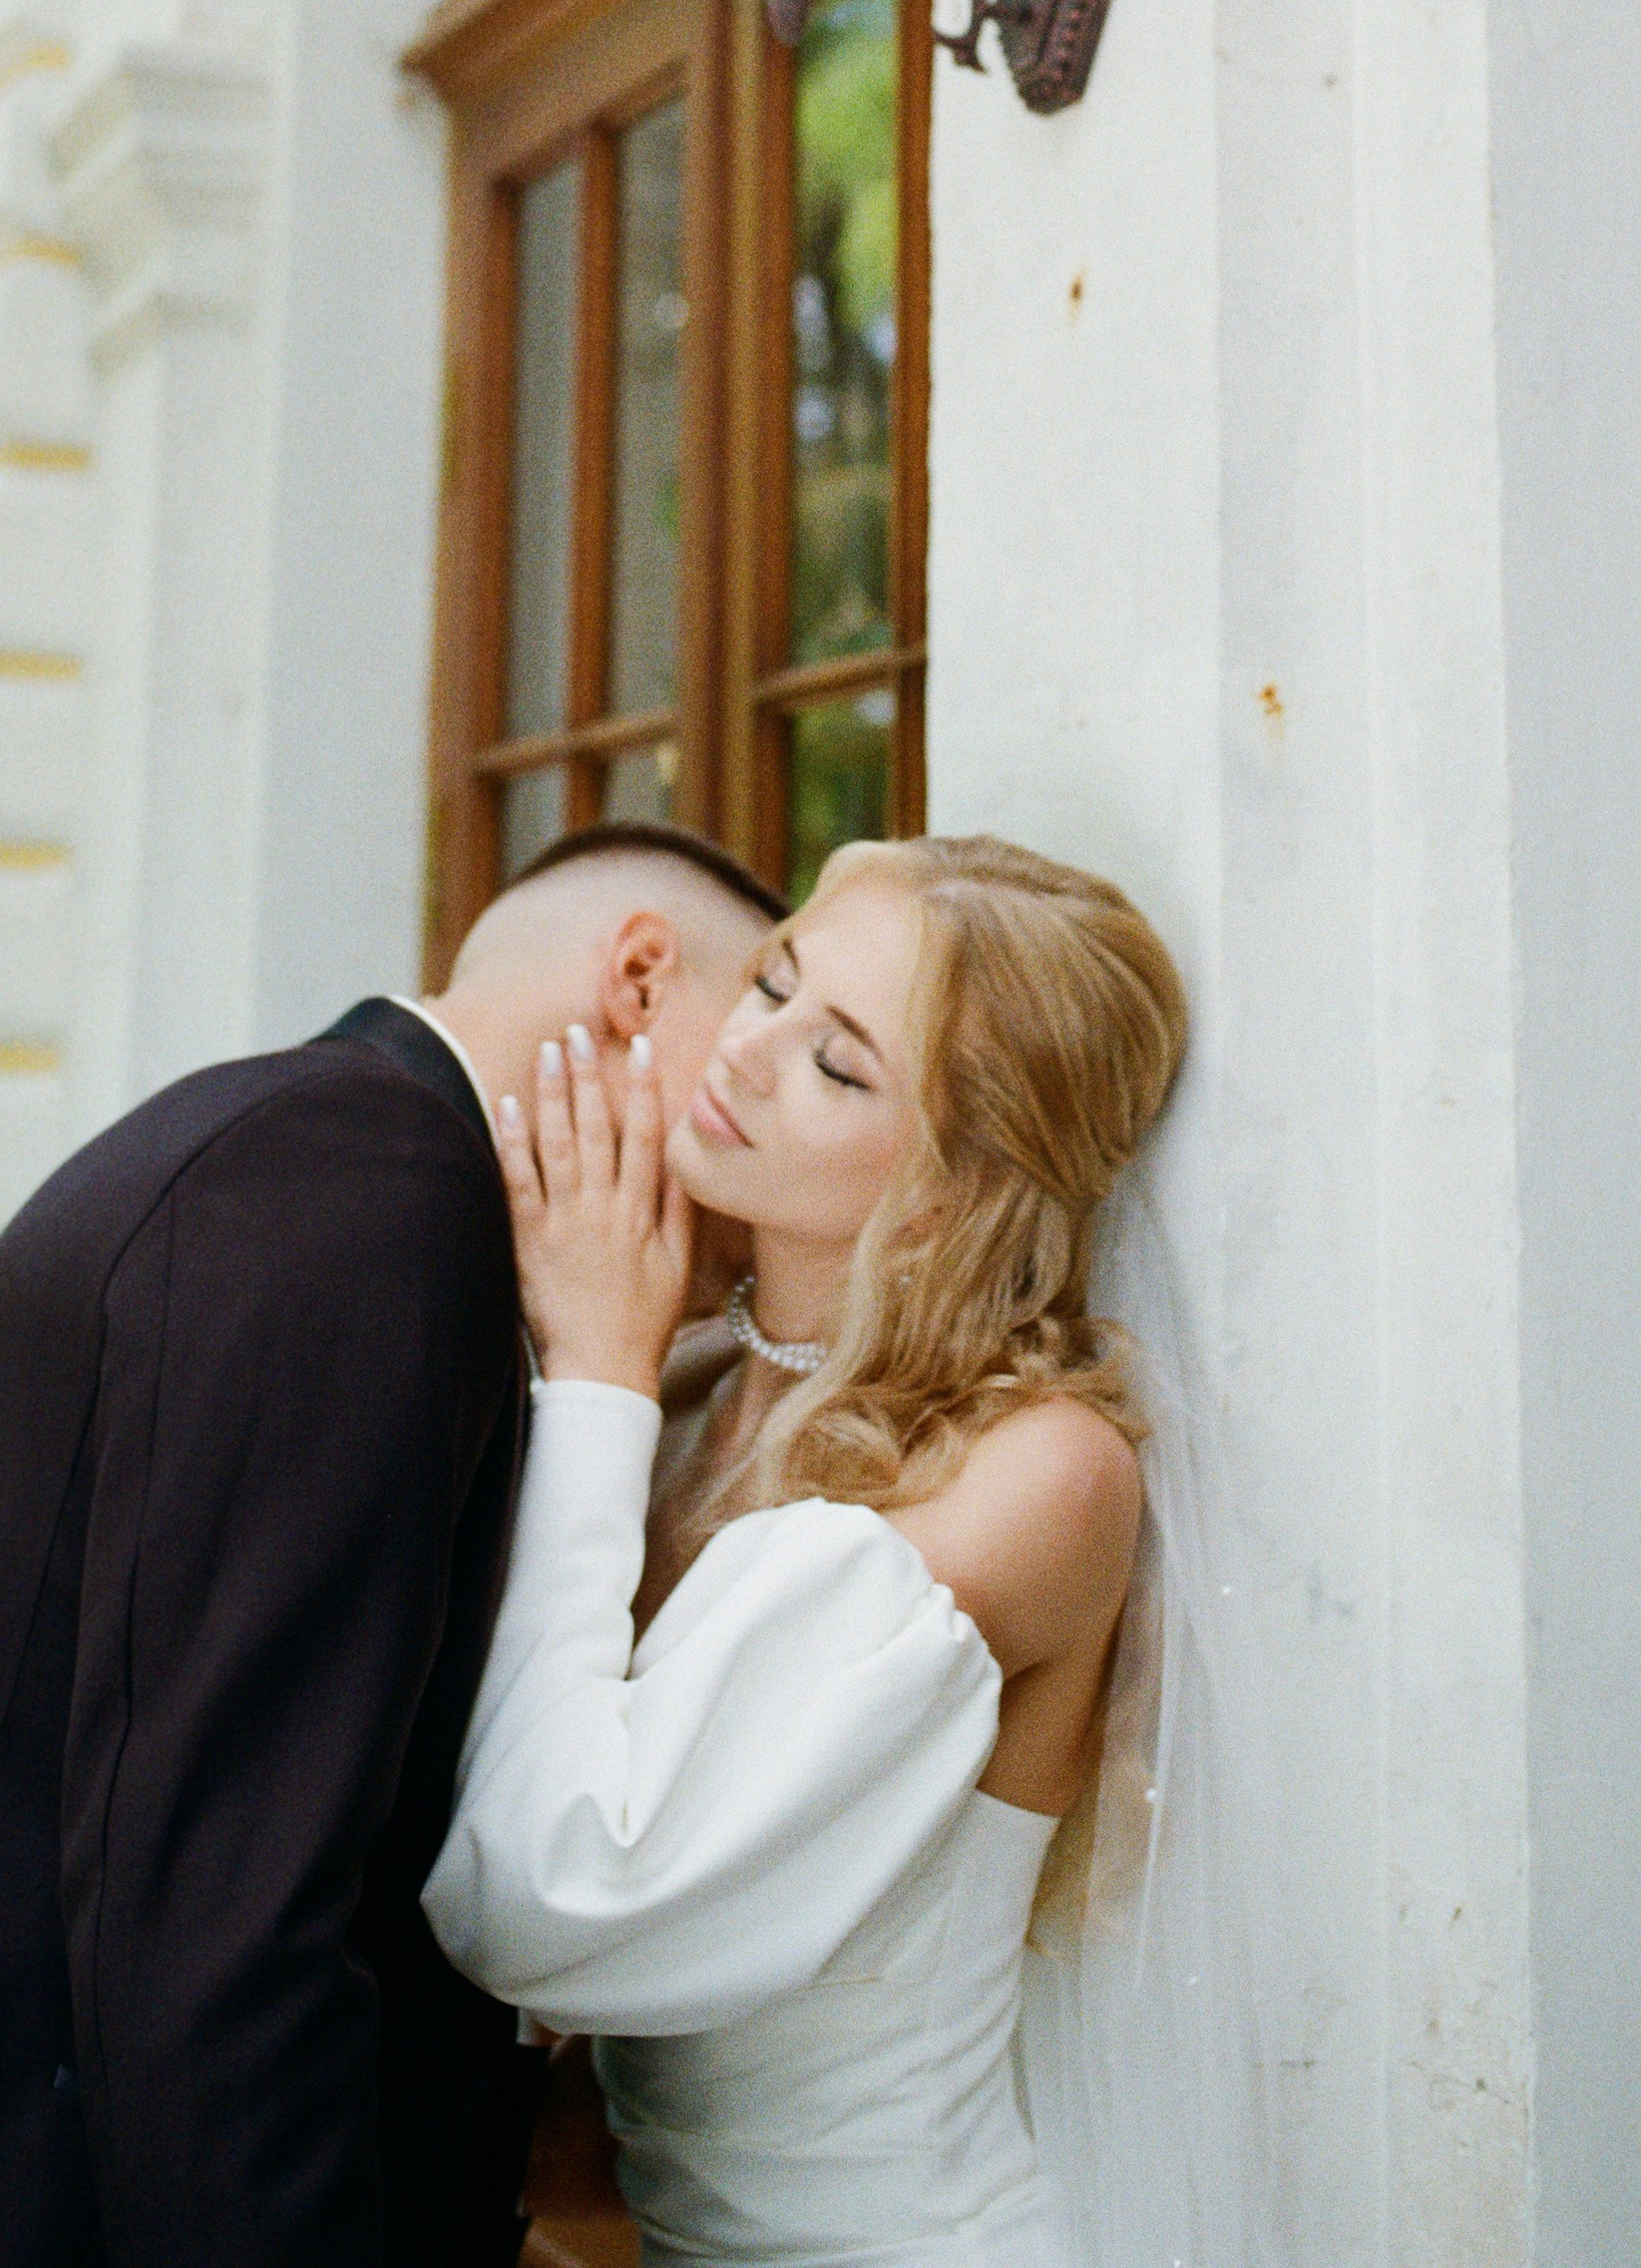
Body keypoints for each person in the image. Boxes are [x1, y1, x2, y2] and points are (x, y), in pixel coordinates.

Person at [0, 819, 782, 2268]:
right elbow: (220, 1922)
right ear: (641, 979)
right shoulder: (365, 1193)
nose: (755, 1159)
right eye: (761, 1029)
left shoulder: (302, 1153)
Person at [423, 831, 1189, 2268]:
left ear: (958, 1184)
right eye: (774, 983)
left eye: (839, 1065)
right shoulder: (684, 1390)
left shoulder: (1033, 1472)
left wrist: (595, 1373)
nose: (749, 1050)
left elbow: (543, 1896)